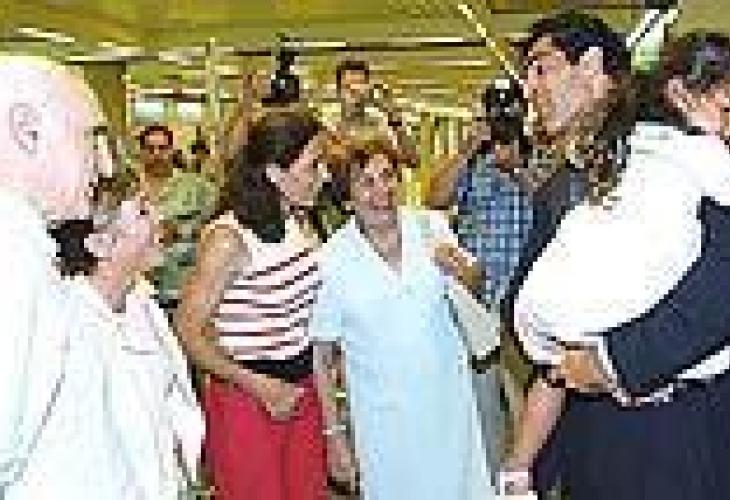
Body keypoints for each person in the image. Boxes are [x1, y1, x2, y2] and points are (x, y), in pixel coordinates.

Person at [505, 25, 730, 500]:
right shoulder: (563, 187)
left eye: (541, 68)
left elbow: (716, 296)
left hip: (678, 426)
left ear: (590, 66)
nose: (531, 88)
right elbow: (539, 332)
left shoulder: (688, 159)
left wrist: (612, 362)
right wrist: (524, 463)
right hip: (592, 427)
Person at [310, 137, 495, 499]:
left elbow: (475, 282)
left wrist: (462, 272)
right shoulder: (332, 259)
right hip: (383, 423)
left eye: (388, 176)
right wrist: (334, 435)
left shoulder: (430, 227)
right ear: (347, 197)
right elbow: (321, 355)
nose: (382, 190)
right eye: (366, 182)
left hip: (448, 407)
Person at [176, 111, 333, 500]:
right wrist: (259, 386)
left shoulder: (300, 223)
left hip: (300, 389)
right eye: (313, 165)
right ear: (275, 173)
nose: (324, 175)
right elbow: (187, 330)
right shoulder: (229, 239)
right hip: (247, 397)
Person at [0, 55, 136, 498]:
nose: (106, 166)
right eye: (90, 138)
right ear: (27, 131)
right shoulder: (11, 253)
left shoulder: (26, 246)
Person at [53, 176, 204, 499]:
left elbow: (172, 402)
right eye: (143, 212)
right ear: (100, 244)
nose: (160, 218)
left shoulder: (142, 304)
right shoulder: (68, 328)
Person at [137, 123, 218, 312]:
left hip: (180, 289)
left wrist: (181, 231)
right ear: (141, 152)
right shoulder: (128, 188)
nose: (157, 154)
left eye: (162, 148)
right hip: (135, 290)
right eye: (150, 149)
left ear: (172, 150)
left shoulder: (196, 187)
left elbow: (215, 224)